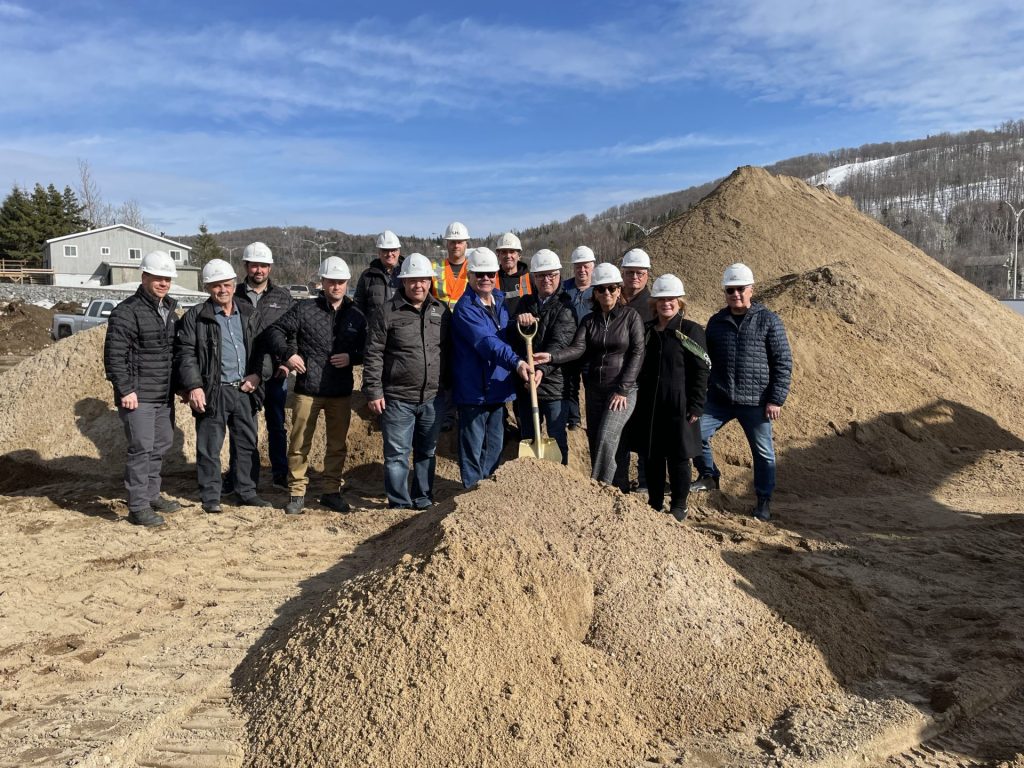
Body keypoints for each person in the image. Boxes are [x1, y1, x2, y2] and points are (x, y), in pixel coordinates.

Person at [690, 263, 792, 522]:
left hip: (756, 402)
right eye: (730, 290)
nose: (735, 294)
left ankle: (763, 501)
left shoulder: (768, 320)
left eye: (740, 289)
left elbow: (782, 361)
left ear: (751, 290)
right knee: (693, 432)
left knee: (764, 452)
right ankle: (709, 476)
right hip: (720, 399)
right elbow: (705, 359)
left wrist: (776, 399)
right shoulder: (716, 322)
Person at [266, 257, 367, 516]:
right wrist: (289, 354)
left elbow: (368, 348)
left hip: (340, 391)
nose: (336, 286)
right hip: (307, 390)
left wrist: (352, 357)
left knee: (337, 445)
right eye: (331, 281)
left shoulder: (356, 315)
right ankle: (297, 492)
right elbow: (275, 330)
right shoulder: (305, 309)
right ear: (322, 282)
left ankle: (331, 492)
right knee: (299, 442)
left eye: (341, 282)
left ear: (347, 283)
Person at [174, 259, 272, 513]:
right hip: (213, 391)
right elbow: (185, 355)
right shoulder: (196, 317)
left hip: (244, 391)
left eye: (226, 284)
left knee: (246, 444)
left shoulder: (249, 314)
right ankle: (211, 497)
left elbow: (265, 350)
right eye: (216, 285)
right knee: (209, 447)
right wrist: (194, 386)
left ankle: (246, 492)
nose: (222, 290)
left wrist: (258, 376)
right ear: (208, 287)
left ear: (234, 284)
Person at [534, 263, 644, 485]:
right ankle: (619, 488)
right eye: (601, 289)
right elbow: (578, 348)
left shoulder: (630, 317)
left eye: (611, 288)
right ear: (594, 292)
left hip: (622, 390)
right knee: (596, 439)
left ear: (619, 290)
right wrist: (551, 357)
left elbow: (637, 352)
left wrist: (623, 389)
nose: (606, 293)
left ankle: (598, 486)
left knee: (606, 437)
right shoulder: (589, 320)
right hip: (595, 390)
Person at [362, 253, 451, 509]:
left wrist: (450, 387)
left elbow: (449, 350)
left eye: (423, 280)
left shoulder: (441, 311)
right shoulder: (387, 312)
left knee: (426, 452)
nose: (418, 286)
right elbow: (374, 353)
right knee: (397, 455)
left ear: (429, 281)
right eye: (412, 280)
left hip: (433, 398)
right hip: (398, 398)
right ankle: (399, 503)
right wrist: (374, 390)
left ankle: (422, 497)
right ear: (403, 282)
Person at [103, 250, 181, 526]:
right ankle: (137, 507)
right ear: (144, 276)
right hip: (139, 395)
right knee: (141, 448)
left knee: (161, 445)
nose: (163, 283)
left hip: (163, 394)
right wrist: (125, 390)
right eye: (158, 278)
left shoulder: (169, 310)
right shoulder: (127, 312)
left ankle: (151, 495)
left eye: (167, 279)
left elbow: (173, 354)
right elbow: (114, 356)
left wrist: (180, 387)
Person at [451, 247, 534, 488]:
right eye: (480, 274)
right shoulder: (465, 308)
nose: (485, 279)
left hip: (496, 388)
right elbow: (487, 342)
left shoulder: (499, 300)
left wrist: (520, 323)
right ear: (470, 276)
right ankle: (471, 492)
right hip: (473, 391)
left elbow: (503, 332)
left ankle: (487, 490)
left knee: (496, 445)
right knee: (473, 447)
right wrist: (517, 362)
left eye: (489, 274)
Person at [631, 274, 709, 522]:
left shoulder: (690, 330)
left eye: (672, 298)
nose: (667, 303)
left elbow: (701, 369)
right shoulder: (648, 331)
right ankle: (655, 502)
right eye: (662, 299)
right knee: (653, 456)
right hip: (651, 404)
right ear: (654, 302)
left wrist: (696, 403)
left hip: (679, 403)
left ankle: (679, 505)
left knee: (678, 457)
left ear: (680, 301)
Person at [231, 241, 293, 491]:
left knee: (276, 424)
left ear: (270, 268)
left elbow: (293, 333)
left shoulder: (283, 297)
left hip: (276, 373)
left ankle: (280, 473)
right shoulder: (233, 295)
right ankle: (243, 476)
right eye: (254, 265)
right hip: (243, 373)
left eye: (264, 266)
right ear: (246, 266)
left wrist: (288, 362)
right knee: (243, 427)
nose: (259, 270)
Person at [510, 249, 577, 465]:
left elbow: (560, 343)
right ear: (534, 278)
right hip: (526, 382)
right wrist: (520, 322)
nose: (546, 280)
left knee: (557, 439)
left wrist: (541, 370)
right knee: (529, 438)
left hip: (555, 385)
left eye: (552, 275)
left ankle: (561, 483)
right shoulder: (525, 303)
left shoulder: (566, 307)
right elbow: (511, 334)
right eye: (541, 276)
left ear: (559, 276)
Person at [615, 247, 654, 492]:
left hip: (644, 377)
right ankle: (619, 481)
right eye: (630, 273)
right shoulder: (616, 301)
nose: (634, 278)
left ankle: (645, 482)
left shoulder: (652, 305)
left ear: (647, 275)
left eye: (639, 273)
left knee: (643, 432)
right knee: (621, 432)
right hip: (618, 377)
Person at [562, 245, 596, 430]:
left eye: (586, 266)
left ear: (592, 267)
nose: (582, 270)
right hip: (569, 345)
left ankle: (592, 421)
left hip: (592, 347)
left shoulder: (599, 289)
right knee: (570, 384)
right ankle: (573, 420)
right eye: (578, 266)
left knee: (591, 386)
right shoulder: (564, 288)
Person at [354, 230, 404, 319]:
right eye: (385, 250)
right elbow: (358, 305)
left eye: (393, 250)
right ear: (379, 252)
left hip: (403, 330)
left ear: (398, 252)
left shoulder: (408, 274)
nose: (389, 254)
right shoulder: (367, 276)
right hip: (375, 330)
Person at [431, 221, 471, 309]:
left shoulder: (474, 270)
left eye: (460, 242)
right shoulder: (433, 269)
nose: (456, 245)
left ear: (466, 245)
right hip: (439, 321)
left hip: (465, 320)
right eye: (452, 242)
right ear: (447, 244)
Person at [495, 232, 531, 315]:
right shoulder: (492, 279)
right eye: (504, 252)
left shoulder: (530, 279)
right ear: (498, 255)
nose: (508, 256)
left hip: (523, 327)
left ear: (519, 255)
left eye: (512, 252)